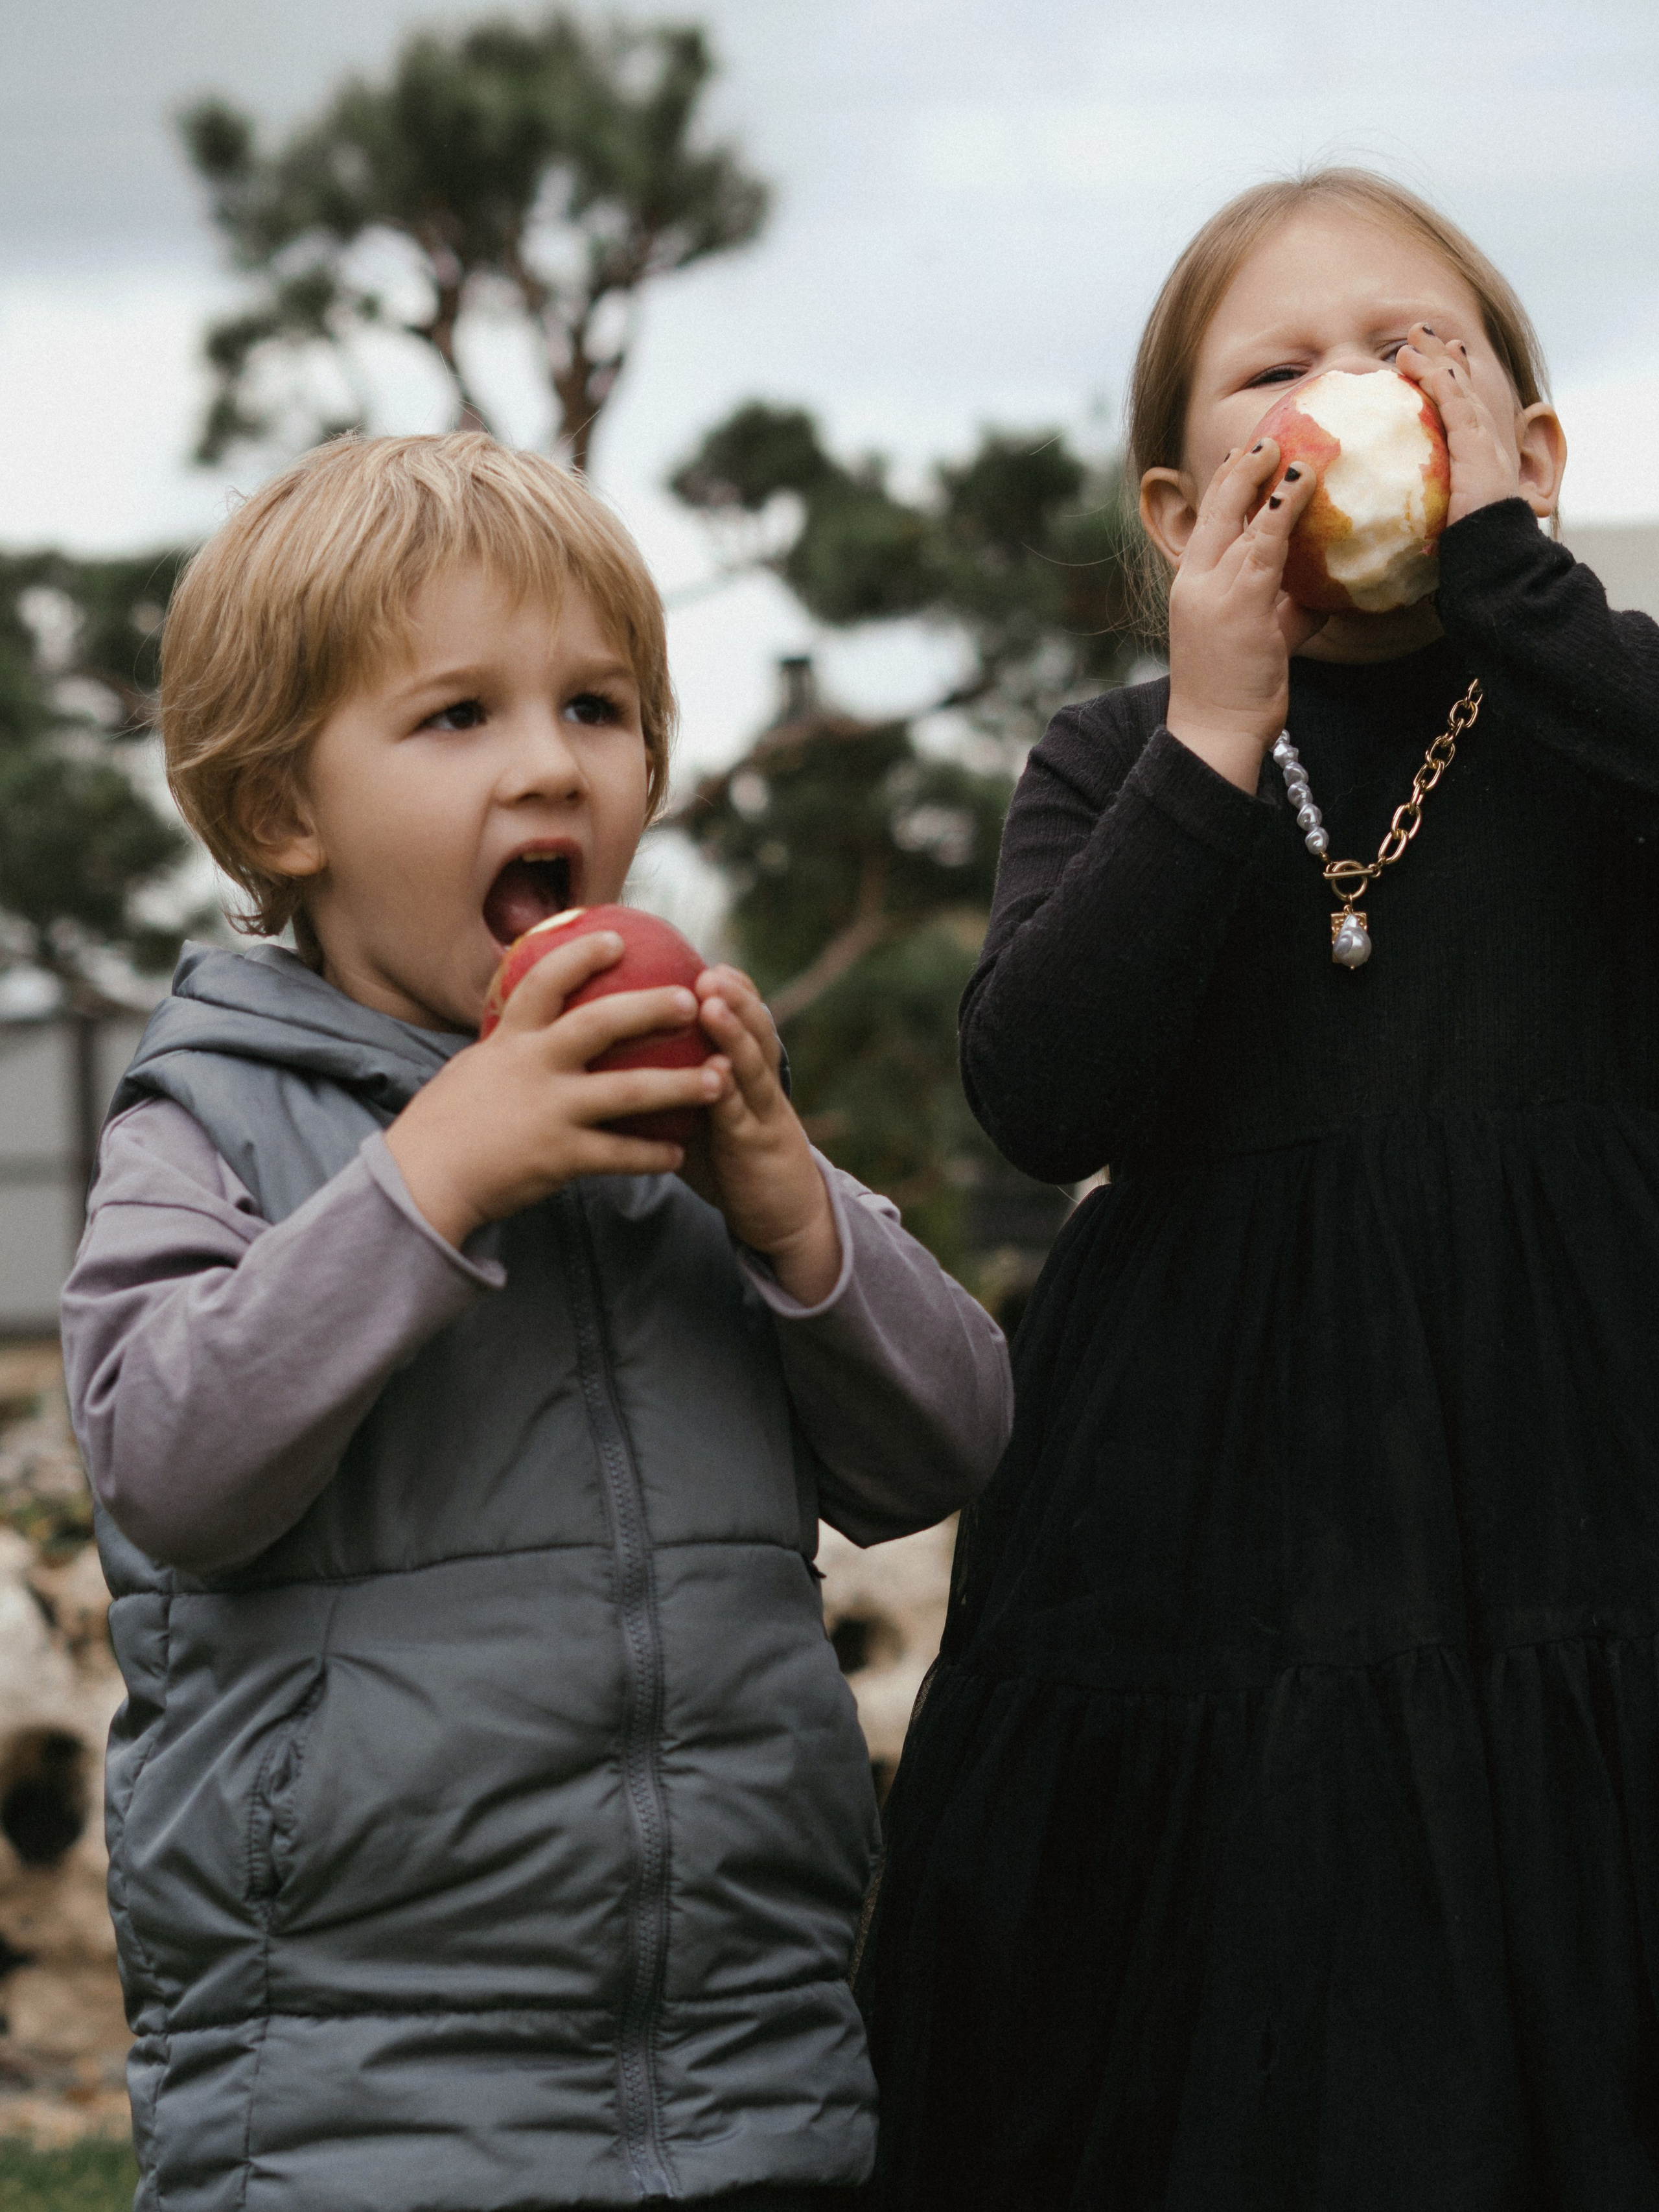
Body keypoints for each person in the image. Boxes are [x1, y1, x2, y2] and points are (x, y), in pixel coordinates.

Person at [60, 433, 1012, 2212]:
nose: (548, 763)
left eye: (596, 706)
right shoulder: (218, 1123)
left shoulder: (691, 1130)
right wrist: (430, 1181)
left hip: (747, 2078)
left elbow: (946, 1444)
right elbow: (170, 1462)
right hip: (358, 2106)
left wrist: (793, 1204)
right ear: (284, 814)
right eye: (458, 719)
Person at [858, 168, 1659, 2209]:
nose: (1347, 393)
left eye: (1409, 354)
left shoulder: (1586, 702)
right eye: (1275, 369)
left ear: (1533, 454)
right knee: (1234, 2015)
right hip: (1214, 1520)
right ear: (1170, 513)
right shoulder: (1117, 753)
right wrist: (1216, 728)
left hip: (1582, 1476)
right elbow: (1041, 1089)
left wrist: (1510, 581)